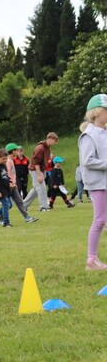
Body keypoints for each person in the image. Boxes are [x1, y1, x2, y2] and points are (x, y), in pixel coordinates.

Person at [78, 94, 107, 271]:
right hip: (97, 183)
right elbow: (87, 160)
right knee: (99, 220)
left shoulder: (103, 132)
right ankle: (91, 260)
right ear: (97, 113)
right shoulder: (89, 135)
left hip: (105, 181)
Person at [23, 133, 59, 211]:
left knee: (36, 189)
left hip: (41, 170)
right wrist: (39, 175)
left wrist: (44, 172)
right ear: (50, 139)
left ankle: (23, 205)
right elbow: (36, 162)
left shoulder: (48, 149)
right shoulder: (40, 148)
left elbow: (45, 161)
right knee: (41, 188)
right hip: (35, 170)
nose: (55, 143)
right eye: (55, 141)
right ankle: (43, 207)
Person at [4, 143, 39, 224]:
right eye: (16, 150)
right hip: (10, 185)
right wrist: (10, 182)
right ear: (13, 151)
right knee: (8, 204)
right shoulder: (8, 161)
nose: (18, 151)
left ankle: (27, 217)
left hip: (13, 184)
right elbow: (6, 173)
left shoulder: (11, 160)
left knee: (19, 201)